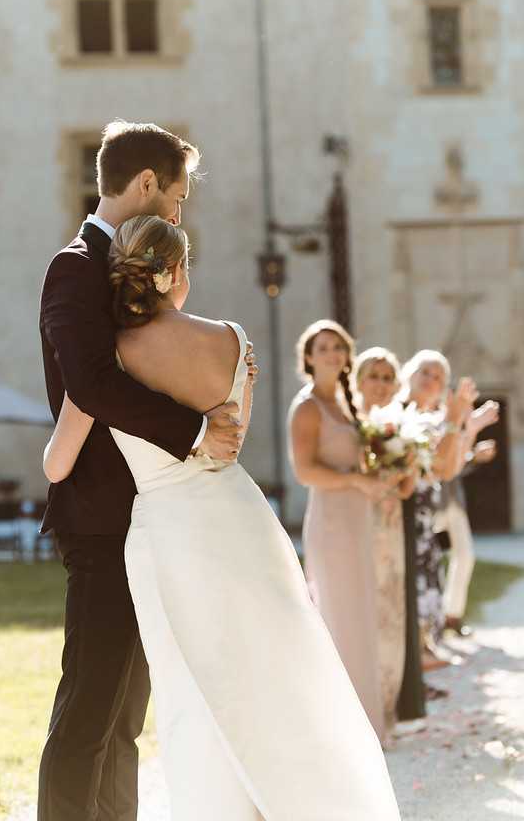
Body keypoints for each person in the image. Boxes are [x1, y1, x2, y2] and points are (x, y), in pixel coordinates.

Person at [44, 220, 401, 820]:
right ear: (178, 272)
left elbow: (57, 465)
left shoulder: (104, 363)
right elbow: (230, 444)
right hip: (240, 518)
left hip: (165, 533)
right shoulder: (235, 340)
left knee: (192, 689)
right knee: (277, 666)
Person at [37, 122, 242, 821]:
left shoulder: (119, 266)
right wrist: (193, 430)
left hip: (149, 519)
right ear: (147, 183)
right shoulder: (73, 265)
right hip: (98, 518)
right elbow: (90, 382)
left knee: (123, 719)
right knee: (88, 715)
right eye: (177, 201)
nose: (178, 217)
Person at [287, 320, 399, 744]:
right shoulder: (308, 407)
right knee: (338, 616)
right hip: (332, 524)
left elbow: (363, 462)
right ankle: (339, 732)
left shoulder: (347, 405)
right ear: (310, 358)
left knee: (361, 615)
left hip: (359, 522)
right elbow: (304, 471)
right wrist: (356, 481)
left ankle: (367, 725)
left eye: (339, 347)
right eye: (324, 347)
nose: (332, 353)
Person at [396, 351, 475, 724]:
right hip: (397, 515)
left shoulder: (431, 420)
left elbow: (447, 467)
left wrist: (461, 423)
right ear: (410, 374)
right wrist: (459, 421)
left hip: (424, 518)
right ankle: (404, 685)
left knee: (423, 592)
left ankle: (413, 680)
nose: (430, 379)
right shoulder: (393, 412)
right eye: (425, 371)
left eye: (438, 376)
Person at [354, 346, 414, 740]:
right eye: (373, 376)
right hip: (355, 523)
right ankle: (360, 709)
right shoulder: (349, 423)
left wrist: (402, 464)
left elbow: (408, 488)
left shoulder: (403, 429)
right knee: (360, 609)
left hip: (390, 525)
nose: (380, 384)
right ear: (359, 381)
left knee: (391, 610)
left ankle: (386, 710)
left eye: (387, 377)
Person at [437, 400, 499, 635]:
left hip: (455, 503)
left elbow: (456, 464)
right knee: (430, 561)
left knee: (465, 556)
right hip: (433, 504)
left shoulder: (457, 424)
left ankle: (452, 616)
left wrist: (474, 456)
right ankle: (432, 618)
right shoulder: (428, 420)